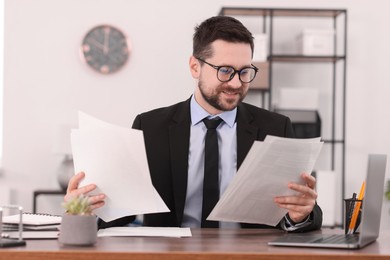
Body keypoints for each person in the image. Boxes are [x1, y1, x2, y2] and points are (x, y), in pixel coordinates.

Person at [65, 16, 322, 232]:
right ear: (194, 67)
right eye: (225, 70)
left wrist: (301, 214)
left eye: (245, 72)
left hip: (248, 255)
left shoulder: (275, 128)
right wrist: (85, 210)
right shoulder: (150, 127)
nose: (236, 83)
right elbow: (121, 213)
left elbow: (296, 208)